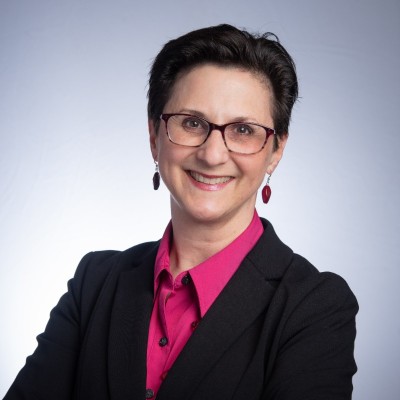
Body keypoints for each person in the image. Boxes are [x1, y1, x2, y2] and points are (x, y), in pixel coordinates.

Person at [4, 24, 358, 400]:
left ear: (276, 151)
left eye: (243, 130)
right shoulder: (95, 282)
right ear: (154, 138)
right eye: (191, 123)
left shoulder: (315, 307)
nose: (212, 154)